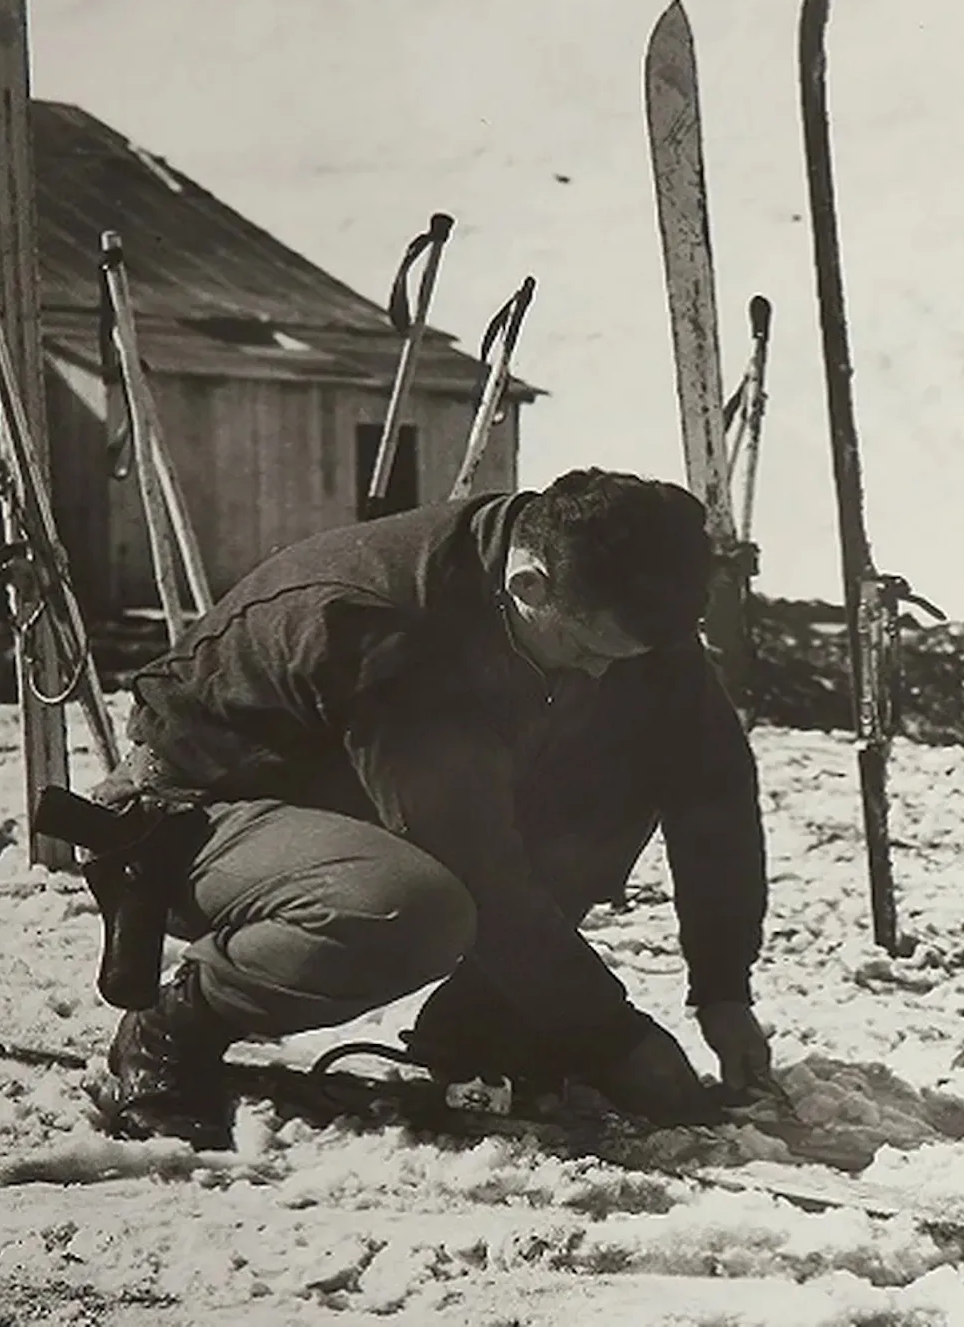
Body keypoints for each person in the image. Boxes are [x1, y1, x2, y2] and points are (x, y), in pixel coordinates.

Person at [87, 467, 773, 1150]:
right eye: (583, 649)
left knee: (628, 767)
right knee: (413, 907)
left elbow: (712, 780)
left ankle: (484, 1021)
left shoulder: (620, 590)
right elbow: (473, 862)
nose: (598, 674)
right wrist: (613, 1033)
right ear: (526, 585)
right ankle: (170, 1029)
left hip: (367, 804)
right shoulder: (386, 625)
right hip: (192, 817)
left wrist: (723, 987)